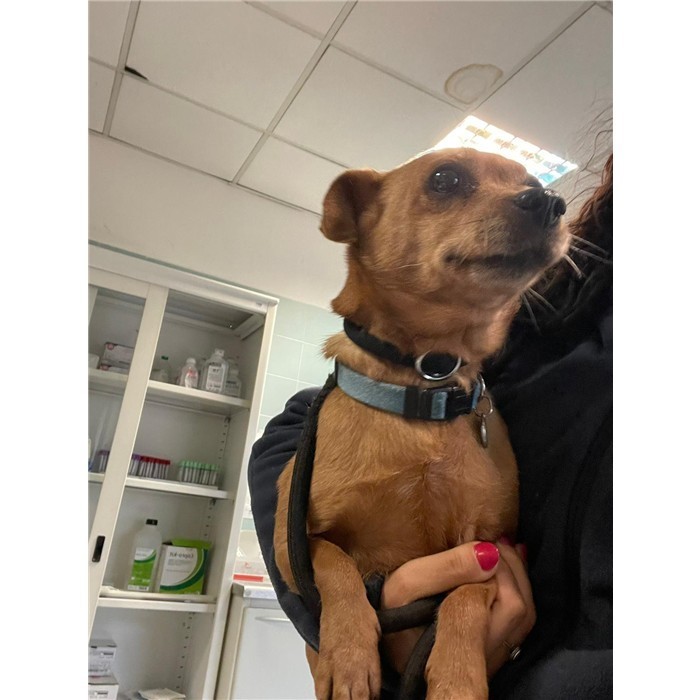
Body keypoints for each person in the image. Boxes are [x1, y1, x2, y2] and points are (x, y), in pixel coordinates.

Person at [247, 153, 612, 699]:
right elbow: (299, 526)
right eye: (448, 183)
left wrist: (463, 625)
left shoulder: (494, 414)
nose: (539, 202)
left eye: (538, 191)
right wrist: (343, 608)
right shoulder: (565, 317)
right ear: (362, 214)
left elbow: (490, 568)